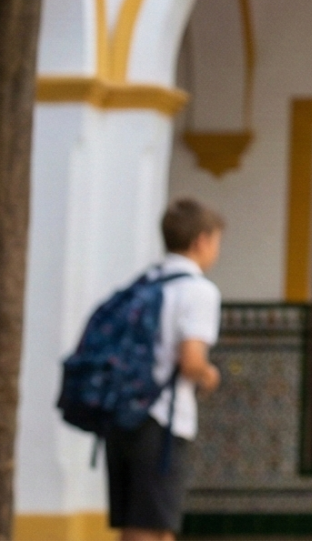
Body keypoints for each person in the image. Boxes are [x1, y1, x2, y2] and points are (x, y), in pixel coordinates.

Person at [107, 198, 224, 541]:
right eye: (215, 241)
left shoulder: (144, 282)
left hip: (121, 414)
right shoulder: (198, 290)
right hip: (160, 418)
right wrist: (209, 375)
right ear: (201, 240)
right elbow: (190, 360)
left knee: (139, 522)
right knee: (153, 525)